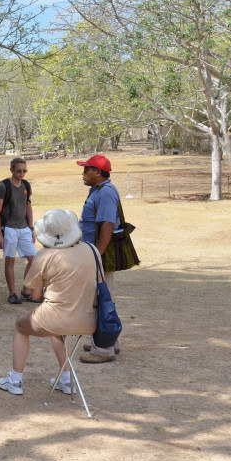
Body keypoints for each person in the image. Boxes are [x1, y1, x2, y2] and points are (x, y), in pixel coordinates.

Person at [0, 210, 98, 395]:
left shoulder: (44, 256)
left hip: (57, 318)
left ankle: (15, 380)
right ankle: (66, 380)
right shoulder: (92, 250)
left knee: (20, 326)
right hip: (90, 320)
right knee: (58, 330)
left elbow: (35, 297)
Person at [77, 154, 125, 364]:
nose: (83, 174)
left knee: (101, 298)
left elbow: (107, 225)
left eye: (86, 169)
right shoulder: (98, 190)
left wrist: (97, 254)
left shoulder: (105, 193)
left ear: (97, 172)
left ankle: (103, 349)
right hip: (95, 252)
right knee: (101, 298)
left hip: (98, 253)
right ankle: (107, 340)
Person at [0, 157, 36, 305]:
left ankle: (26, 290)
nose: (22, 173)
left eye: (24, 171)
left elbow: (28, 206)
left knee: (34, 260)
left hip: (24, 228)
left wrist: (31, 228)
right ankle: (12, 293)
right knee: (10, 260)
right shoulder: (3, 186)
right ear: (11, 170)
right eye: (19, 171)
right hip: (9, 228)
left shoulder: (26, 185)